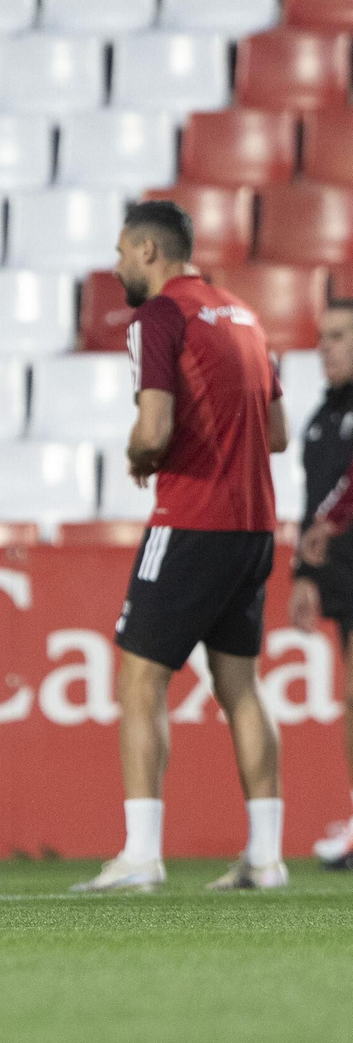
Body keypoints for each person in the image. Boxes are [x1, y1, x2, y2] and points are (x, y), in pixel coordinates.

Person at [74, 201, 289, 894]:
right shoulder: (244, 315)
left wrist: (142, 453)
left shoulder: (162, 317)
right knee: (242, 686)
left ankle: (141, 853)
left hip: (192, 520)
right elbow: (276, 432)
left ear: (146, 249)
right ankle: (266, 856)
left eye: (119, 252)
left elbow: (154, 424)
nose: (115, 266)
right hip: (256, 526)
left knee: (140, 678)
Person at [291, 301, 353, 868]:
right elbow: (313, 505)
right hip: (342, 575)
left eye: (338, 336)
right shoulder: (321, 417)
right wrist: (306, 574)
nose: (324, 347)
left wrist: (328, 523)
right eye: (321, 336)